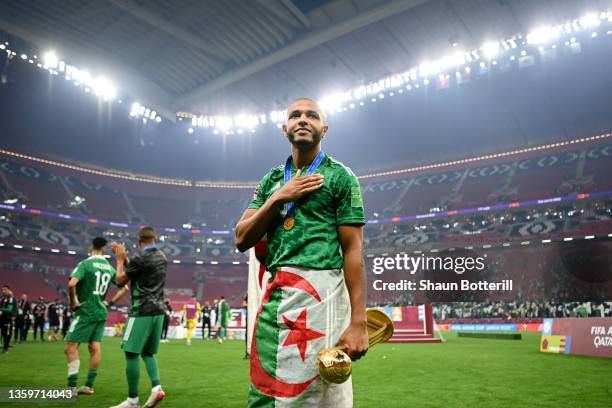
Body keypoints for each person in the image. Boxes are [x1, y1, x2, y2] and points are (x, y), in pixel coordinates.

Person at [235, 97, 368, 407]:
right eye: (295, 115)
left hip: (322, 301)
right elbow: (242, 238)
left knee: (319, 396)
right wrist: (279, 198)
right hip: (276, 298)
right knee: (266, 393)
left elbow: (353, 250)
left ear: (325, 128)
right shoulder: (271, 180)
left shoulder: (341, 177)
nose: (303, 119)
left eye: (311, 115)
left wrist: (359, 321)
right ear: (285, 129)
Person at [64, 237, 129, 396]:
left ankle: (71, 388)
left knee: (70, 348)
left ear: (90, 247)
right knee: (95, 347)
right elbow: (124, 288)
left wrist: (73, 303)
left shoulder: (85, 265)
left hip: (85, 311)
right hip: (101, 311)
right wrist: (109, 303)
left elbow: (71, 284)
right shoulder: (109, 267)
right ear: (104, 249)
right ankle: (88, 386)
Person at [110, 227, 166, 408]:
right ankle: (157, 388)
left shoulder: (140, 258)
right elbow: (137, 270)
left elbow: (120, 280)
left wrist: (119, 261)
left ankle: (132, 400)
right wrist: (127, 259)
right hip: (158, 310)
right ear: (154, 238)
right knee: (148, 352)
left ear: (138, 240)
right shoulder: (162, 257)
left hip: (141, 310)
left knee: (131, 352)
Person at [0, 285, 17, 353]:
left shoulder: (11, 298)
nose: (3, 291)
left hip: (7, 318)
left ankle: (5, 348)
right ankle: (4, 346)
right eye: (2, 290)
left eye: (5, 290)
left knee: (6, 333)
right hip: (1, 318)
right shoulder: (2, 298)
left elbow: (9, 309)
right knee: (3, 333)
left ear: (9, 290)